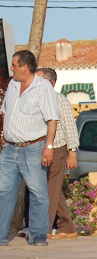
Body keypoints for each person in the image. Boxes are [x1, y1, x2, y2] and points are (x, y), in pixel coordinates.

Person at [0, 50, 59, 247]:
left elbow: (52, 118)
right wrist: (4, 134)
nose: (11, 68)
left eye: (14, 65)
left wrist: (48, 146)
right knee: (3, 191)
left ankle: (38, 234)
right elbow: (5, 111)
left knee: (38, 192)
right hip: (9, 149)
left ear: (25, 67)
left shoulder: (43, 87)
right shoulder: (12, 85)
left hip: (33, 148)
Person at [36, 67, 79, 241]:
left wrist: (72, 152)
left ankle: (43, 229)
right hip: (40, 148)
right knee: (52, 189)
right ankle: (67, 227)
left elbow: (70, 126)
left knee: (50, 188)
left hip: (58, 147)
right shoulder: (36, 99)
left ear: (51, 82)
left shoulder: (60, 100)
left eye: (40, 79)